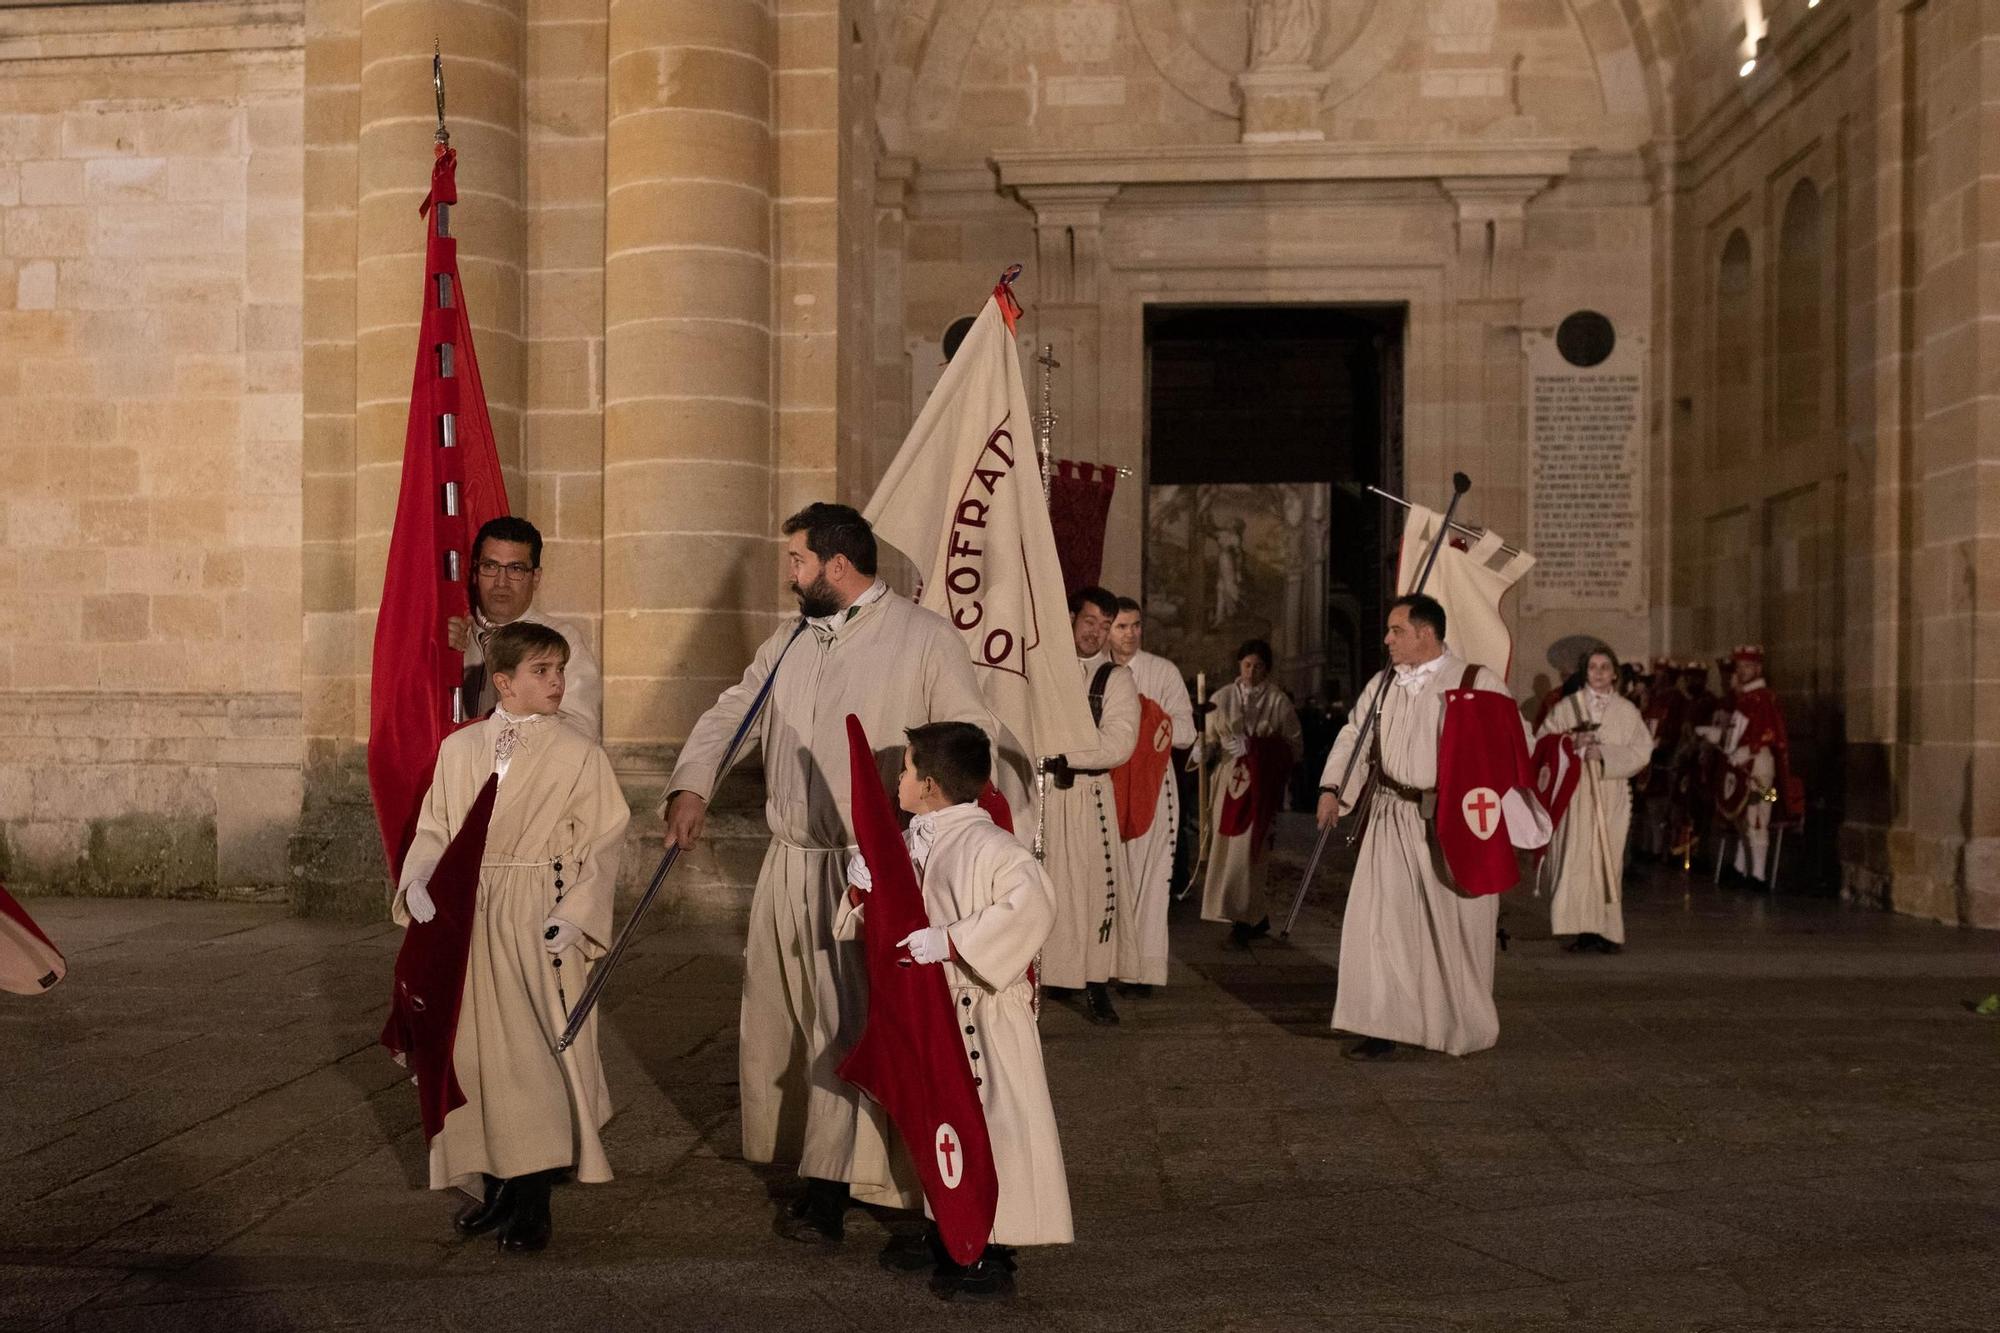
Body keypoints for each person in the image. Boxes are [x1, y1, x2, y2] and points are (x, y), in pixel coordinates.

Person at [661, 502, 1006, 1244]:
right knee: (784, 1015)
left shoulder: (923, 637)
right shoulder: (787, 642)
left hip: (871, 867)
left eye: (796, 561)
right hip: (790, 860)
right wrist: (693, 784)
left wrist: (929, 841)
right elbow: (731, 716)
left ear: (836, 565)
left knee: (846, 1021)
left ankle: (837, 1181)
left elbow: (967, 741)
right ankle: (809, 1158)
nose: (789, 574)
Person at [394, 621, 631, 1252]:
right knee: (474, 1052)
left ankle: (533, 1199)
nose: (556, 683)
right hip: (467, 915)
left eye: (559, 671)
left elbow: (605, 840)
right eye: (541, 672)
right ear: (504, 682)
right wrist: (420, 880)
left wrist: (577, 913)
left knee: (535, 1052)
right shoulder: (460, 750)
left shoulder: (580, 752)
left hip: (538, 911)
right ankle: (495, 1185)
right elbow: (437, 827)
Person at [839, 723, 1072, 1302]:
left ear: (932, 785)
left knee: (996, 1130)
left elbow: (1034, 902)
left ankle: (995, 1251)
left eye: (906, 768)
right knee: (940, 1123)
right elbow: (895, 929)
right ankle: (948, 1230)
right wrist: (867, 892)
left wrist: (953, 940)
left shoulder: (989, 844)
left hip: (986, 1016)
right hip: (934, 1015)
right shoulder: (916, 839)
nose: (898, 778)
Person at [1317, 594, 1518, 1060]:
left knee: (1452, 925)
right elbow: (1355, 734)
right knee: (1382, 924)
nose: (1386, 639)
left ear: (1425, 633)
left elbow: (1510, 745)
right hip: (1389, 813)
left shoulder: (1475, 681)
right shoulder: (1383, 684)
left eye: (1396, 630)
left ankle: (1457, 1023)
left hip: (1447, 821)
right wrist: (1333, 788)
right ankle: (1382, 1023)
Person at [1039, 586, 1140, 1026]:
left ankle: (1097, 984)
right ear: (1071, 618)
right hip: (1043, 792)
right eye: (1089, 622)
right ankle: (1042, 976)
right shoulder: (1043, 670)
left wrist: (1064, 754)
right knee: (1042, 886)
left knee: (1095, 888)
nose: (1096, 633)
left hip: (1088, 795)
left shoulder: (1115, 679)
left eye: (1105, 626)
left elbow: (1118, 743)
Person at [1106, 597, 1196, 996]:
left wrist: (1147, 723)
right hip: (1109, 784)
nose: (1130, 634)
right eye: (1122, 626)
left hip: (1154, 786)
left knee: (1150, 878)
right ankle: (1105, 965)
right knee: (1111, 876)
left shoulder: (1162, 671)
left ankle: (1142, 970)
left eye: (1136, 626)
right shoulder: (1097, 671)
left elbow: (1187, 731)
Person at [1536, 646, 1652, 953]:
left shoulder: (1627, 712)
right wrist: (1572, 743)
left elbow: (1642, 750)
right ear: (1584, 672)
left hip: (1610, 791)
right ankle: (1576, 927)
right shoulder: (1566, 708)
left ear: (1614, 673)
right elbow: (1542, 744)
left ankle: (1606, 930)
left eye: (1604, 667)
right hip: (1574, 794)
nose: (1599, 673)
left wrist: (1605, 755)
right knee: (1574, 859)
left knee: (1606, 861)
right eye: (1593, 667)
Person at [450, 516, 602, 737]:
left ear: (536, 577)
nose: (501, 582)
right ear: (475, 574)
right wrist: (435, 655)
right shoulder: (455, 638)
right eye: (490, 566)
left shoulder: (562, 641)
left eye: (516, 569)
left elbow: (580, 730)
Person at [1199, 639, 1302, 948]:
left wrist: (1257, 748)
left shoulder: (1277, 701)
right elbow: (1209, 737)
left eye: (1258, 666)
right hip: (1228, 782)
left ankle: (1244, 919)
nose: (1251, 671)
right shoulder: (1222, 698)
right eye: (1247, 665)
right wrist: (1202, 750)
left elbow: (1294, 747)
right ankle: (1251, 916)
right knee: (1225, 850)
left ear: (1267, 669)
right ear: (1239, 665)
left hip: (1260, 788)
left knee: (1249, 855)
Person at [1702, 645, 1796, 886]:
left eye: (1747, 666)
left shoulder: (1765, 697)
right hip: (1742, 766)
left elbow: (1770, 732)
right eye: (1739, 666)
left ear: (1758, 668)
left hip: (1760, 768)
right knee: (1743, 819)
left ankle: (1758, 875)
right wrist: (1719, 737)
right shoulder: (1743, 700)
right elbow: (1737, 735)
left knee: (1758, 816)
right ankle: (1742, 868)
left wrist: (1748, 750)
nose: (1742, 671)